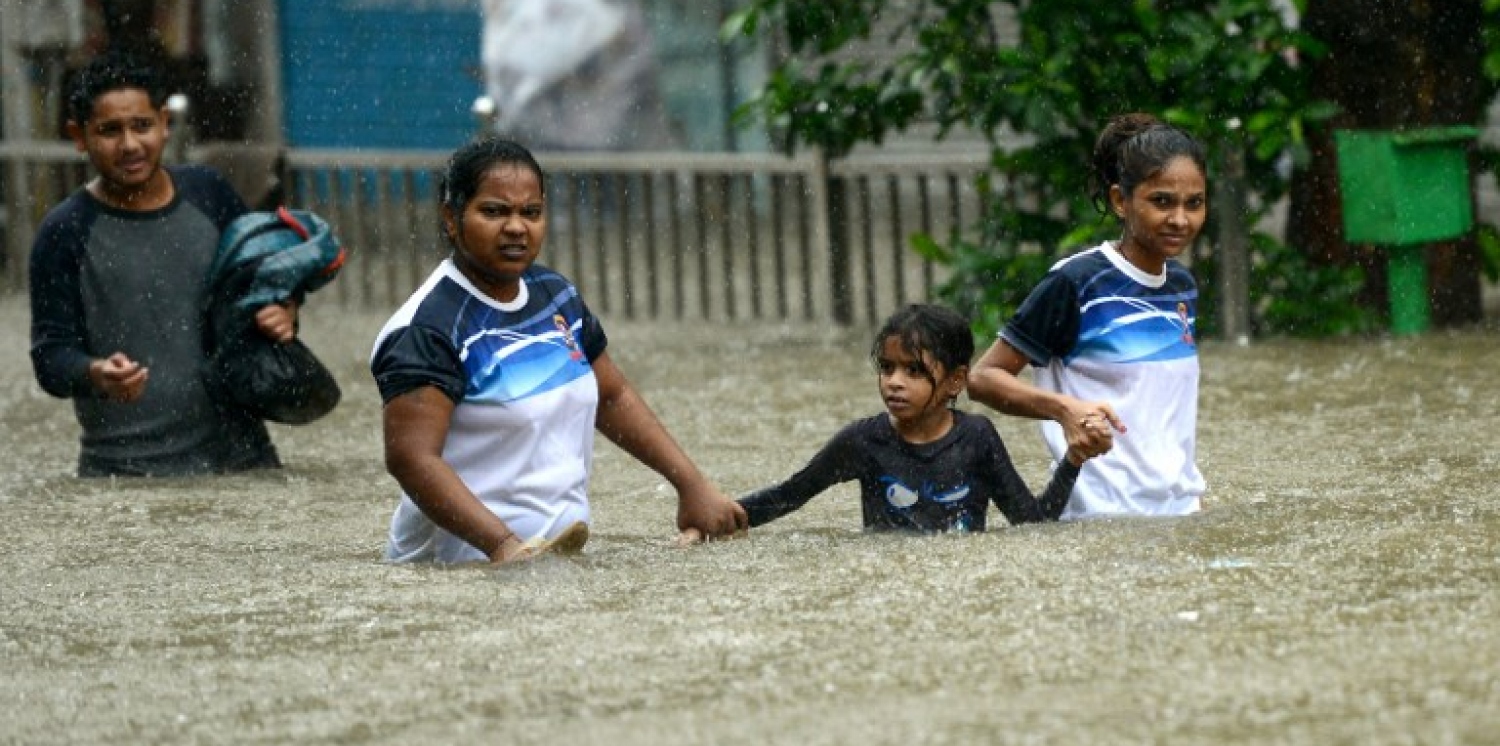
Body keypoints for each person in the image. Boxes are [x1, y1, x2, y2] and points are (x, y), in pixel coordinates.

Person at [369, 136, 747, 565]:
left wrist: (692, 486)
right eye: (494, 211)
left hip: (553, 559)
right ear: (451, 218)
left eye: (530, 212)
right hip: (459, 570)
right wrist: (503, 546)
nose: (516, 227)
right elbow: (412, 459)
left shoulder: (554, 296)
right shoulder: (426, 328)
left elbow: (612, 396)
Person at [29, 48, 297, 477]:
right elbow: (50, 357)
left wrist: (284, 310)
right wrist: (94, 372)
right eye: (110, 131)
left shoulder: (210, 195)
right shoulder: (64, 232)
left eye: (142, 126)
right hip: (125, 474)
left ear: (165, 125)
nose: (130, 145)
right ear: (79, 137)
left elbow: (266, 281)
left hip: (244, 461)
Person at [967, 112, 1209, 519]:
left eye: (1194, 204)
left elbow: (1164, 414)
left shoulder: (1181, 285)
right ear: (1120, 201)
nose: (1180, 219)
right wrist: (1065, 409)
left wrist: (1192, 502)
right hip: (1097, 520)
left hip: (1180, 514)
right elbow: (983, 379)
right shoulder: (1076, 282)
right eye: (1162, 201)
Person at [729, 304, 1103, 535]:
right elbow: (787, 496)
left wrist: (1072, 461)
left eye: (913, 371)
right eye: (887, 368)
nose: (894, 382)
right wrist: (717, 522)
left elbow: (1031, 523)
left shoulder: (977, 438)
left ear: (956, 381)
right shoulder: (862, 442)